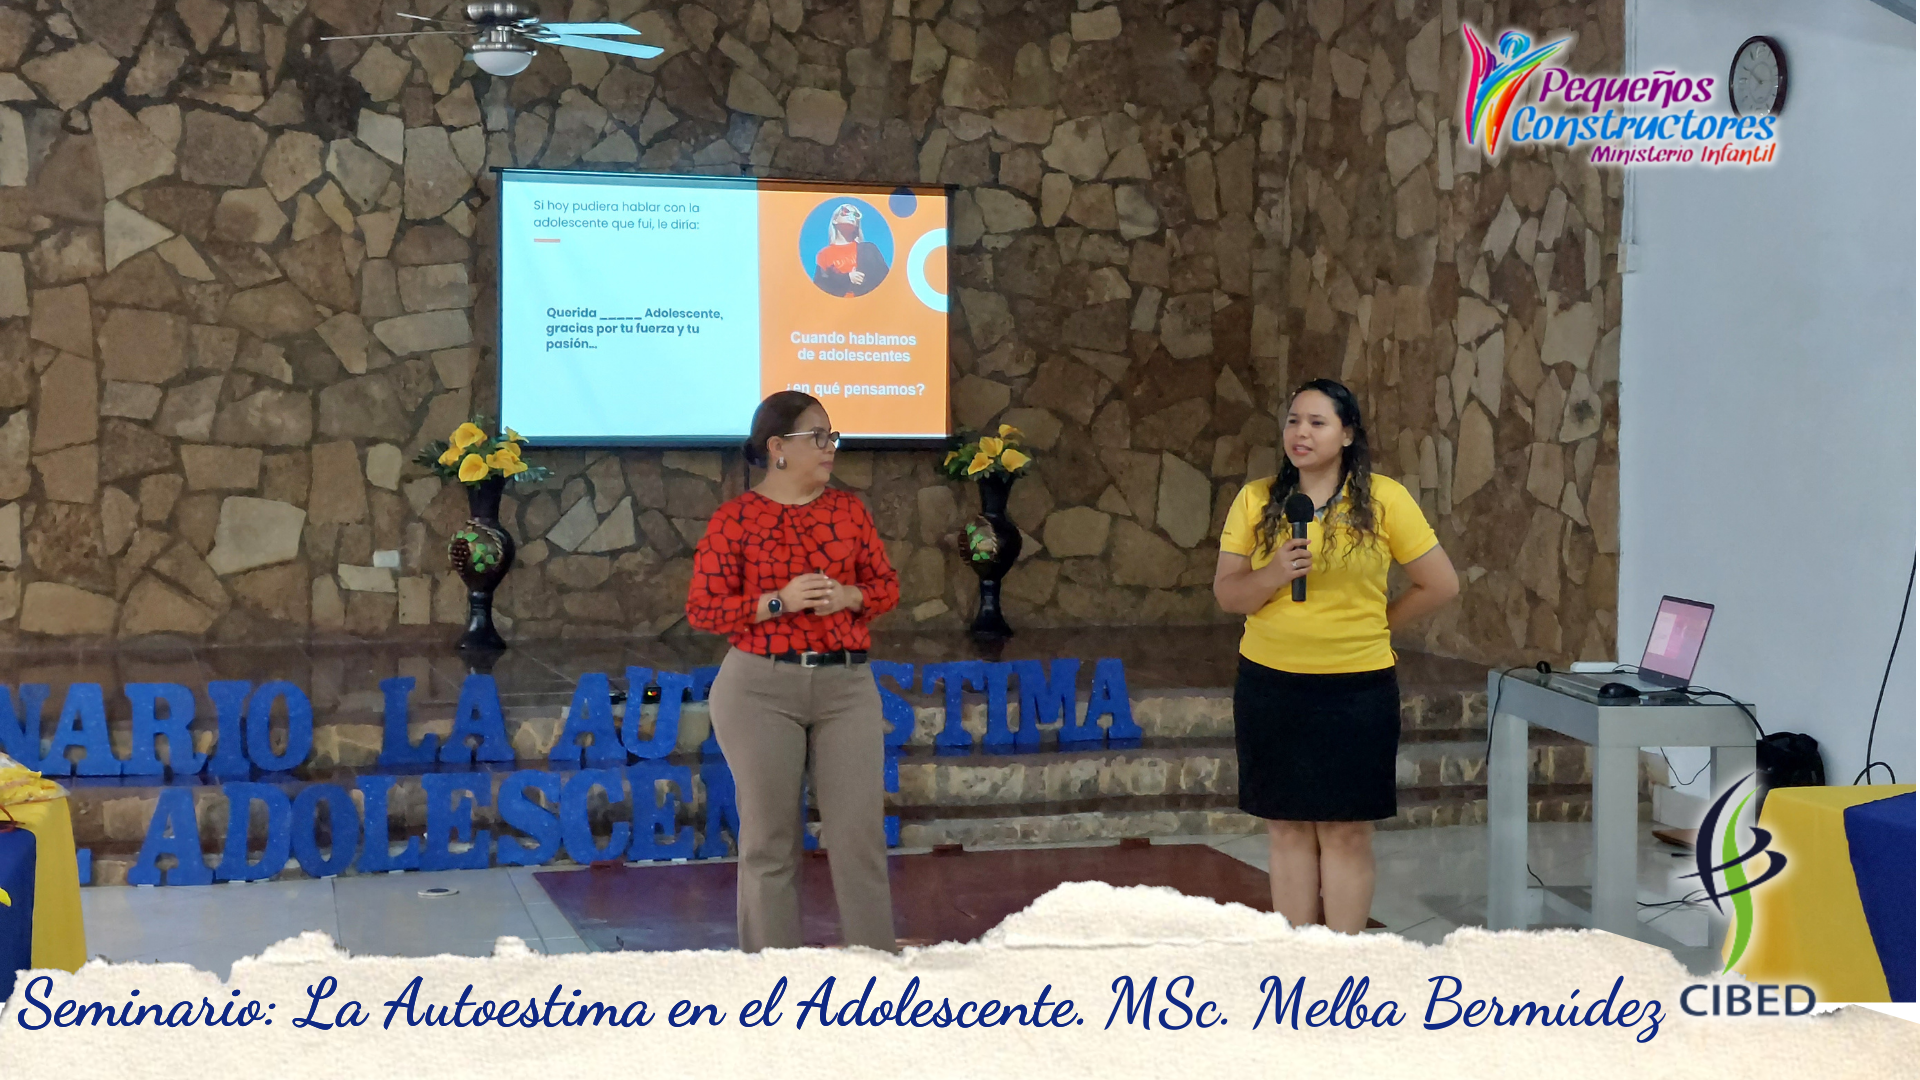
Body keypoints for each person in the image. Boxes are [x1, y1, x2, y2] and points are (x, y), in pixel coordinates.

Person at [1212, 378, 1460, 934]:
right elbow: (1228, 595)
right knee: (1288, 827)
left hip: (1356, 691)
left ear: (1347, 434)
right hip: (1271, 686)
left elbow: (1440, 583)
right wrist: (1274, 573)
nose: (1301, 433)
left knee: (1346, 830)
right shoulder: (1257, 500)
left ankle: (1343, 961)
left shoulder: (1385, 500)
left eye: (1317, 422)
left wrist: (1377, 626)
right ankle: (1299, 958)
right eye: (1293, 421)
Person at [685, 390, 900, 953]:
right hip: (760, 688)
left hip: (846, 687)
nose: (830, 448)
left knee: (859, 838)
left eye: (833, 437)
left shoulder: (848, 511)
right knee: (770, 842)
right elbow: (703, 609)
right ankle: (772, 974)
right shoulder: (735, 520)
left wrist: (850, 596)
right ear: (778, 447)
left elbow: (885, 587)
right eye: (818, 437)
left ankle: (877, 968)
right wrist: (777, 601)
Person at [811, 203, 889, 297]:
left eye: (856, 214)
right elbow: (821, 286)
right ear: (835, 220)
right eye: (846, 211)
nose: (851, 216)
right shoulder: (824, 254)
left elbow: (886, 279)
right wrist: (848, 278)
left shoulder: (869, 250)